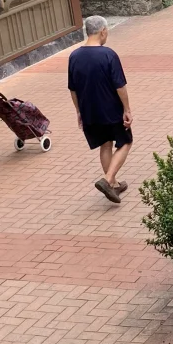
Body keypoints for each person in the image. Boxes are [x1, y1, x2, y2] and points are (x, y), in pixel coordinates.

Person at [68, 15, 132, 204]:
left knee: (105, 144)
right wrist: (127, 109)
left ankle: (112, 186)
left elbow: (73, 89)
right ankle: (108, 179)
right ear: (103, 31)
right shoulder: (108, 54)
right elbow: (119, 86)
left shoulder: (74, 56)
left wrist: (79, 111)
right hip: (110, 109)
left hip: (89, 111)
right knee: (125, 142)